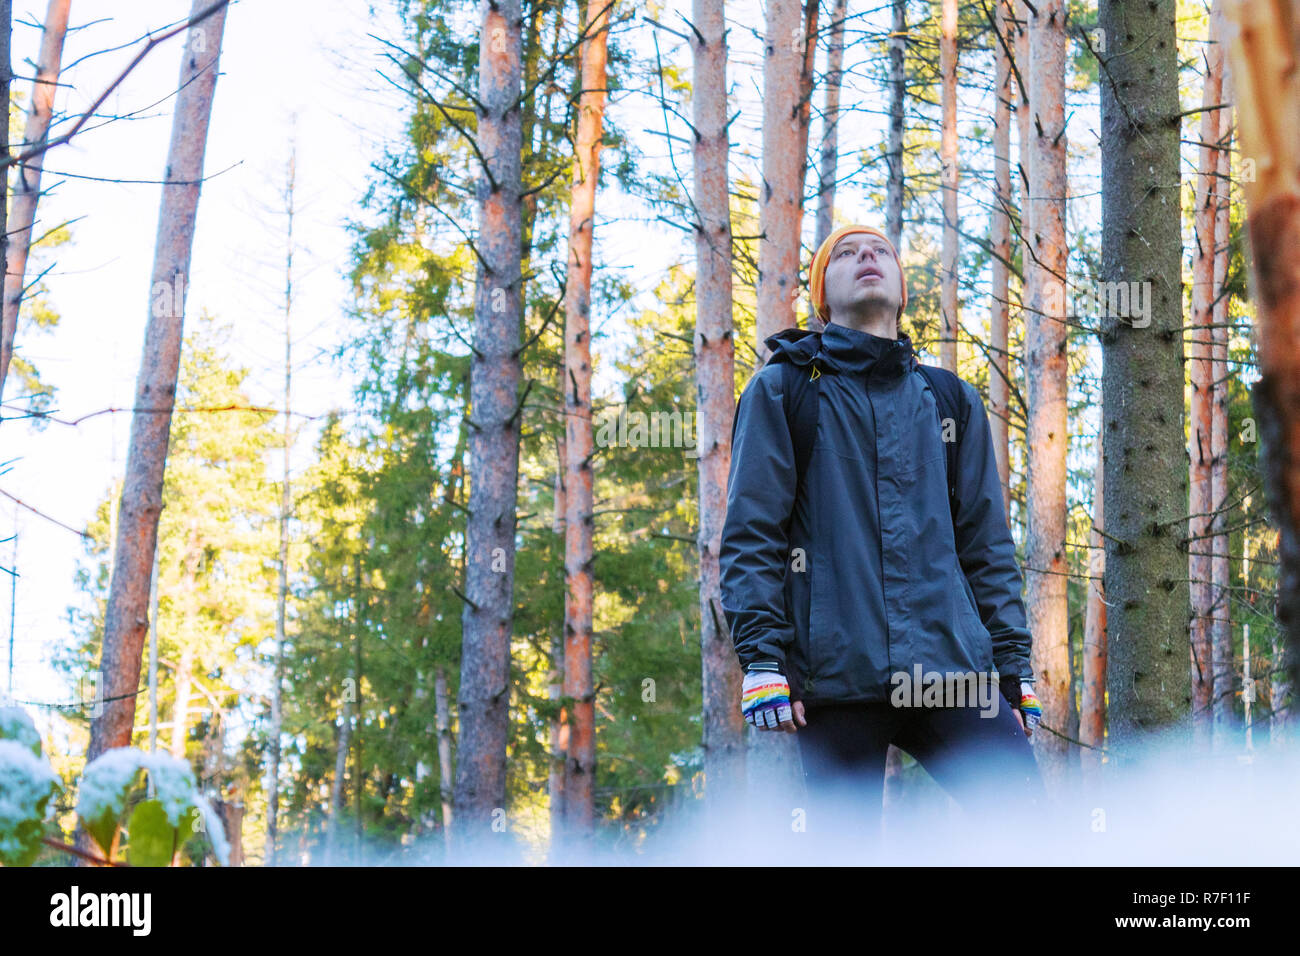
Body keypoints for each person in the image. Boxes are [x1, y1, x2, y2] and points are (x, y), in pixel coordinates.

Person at [719, 224, 1045, 854]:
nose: (866, 257)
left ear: (900, 288)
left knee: (1031, 836)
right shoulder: (784, 391)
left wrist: (1013, 669)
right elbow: (753, 533)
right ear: (823, 298)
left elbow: (987, 548)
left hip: (953, 674)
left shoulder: (950, 400)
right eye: (845, 253)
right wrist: (761, 658)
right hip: (834, 680)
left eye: (880, 252)